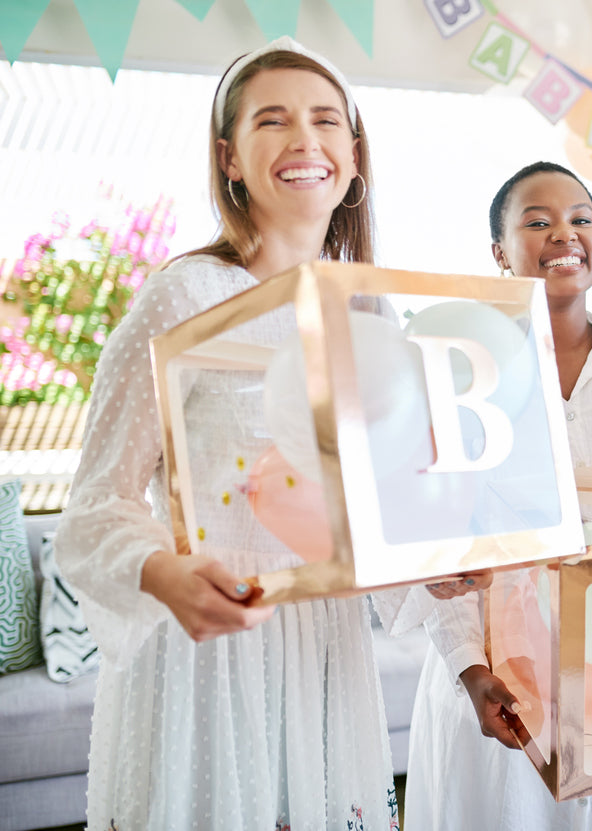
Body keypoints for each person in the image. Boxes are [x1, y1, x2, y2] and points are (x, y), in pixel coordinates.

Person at [55, 38, 404, 829]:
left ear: (353, 157)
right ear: (230, 158)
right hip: (206, 652)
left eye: (325, 121)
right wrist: (161, 571)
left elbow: (387, 497)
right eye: (273, 121)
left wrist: (446, 562)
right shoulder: (184, 295)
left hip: (324, 646)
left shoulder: (372, 313)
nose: (304, 140)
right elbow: (95, 504)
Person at [403, 161, 592, 830]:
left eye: (580, 219)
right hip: (503, 688)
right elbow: (435, 538)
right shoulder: (456, 376)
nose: (563, 234)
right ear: (498, 253)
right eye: (536, 222)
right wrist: (470, 668)